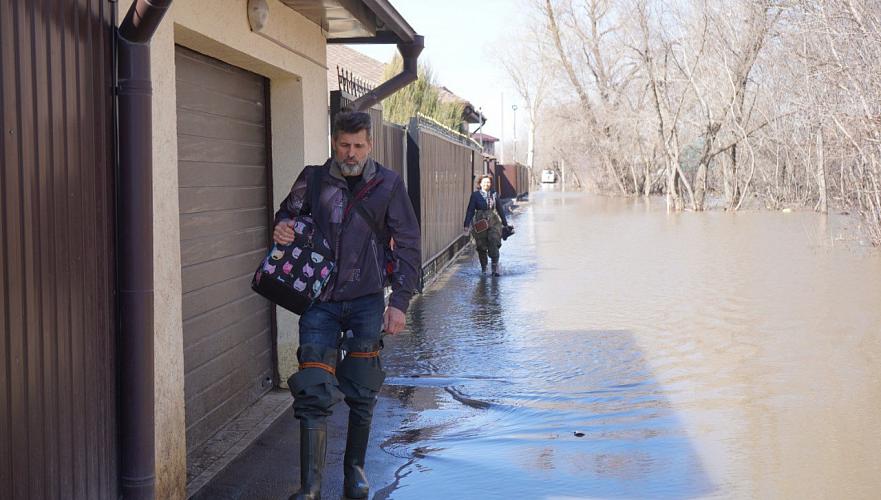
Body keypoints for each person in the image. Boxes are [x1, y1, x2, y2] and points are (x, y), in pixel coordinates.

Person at [272, 111, 421, 500]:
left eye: (358, 145)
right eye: (343, 145)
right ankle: (311, 486)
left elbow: (408, 244)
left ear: (369, 144)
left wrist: (400, 303)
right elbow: (286, 215)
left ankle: (354, 470)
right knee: (313, 389)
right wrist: (282, 226)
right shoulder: (313, 178)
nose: (350, 153)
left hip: (367, 301)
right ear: (333, 142)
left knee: (361, 386)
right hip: (318, 300)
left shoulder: (388, 184)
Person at [463, 174, 510, 276]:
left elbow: (500, 209)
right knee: (481, 246)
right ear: (480, 184)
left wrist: (505, 224)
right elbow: (470, 210)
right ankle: (484, 268)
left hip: (493, 221)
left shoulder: (494, 194)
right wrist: (466, 225)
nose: (487, 184)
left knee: (494, 241)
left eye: (488, 182)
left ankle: (495, 268)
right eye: (484, 182)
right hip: (480, 223)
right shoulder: (475, 195)